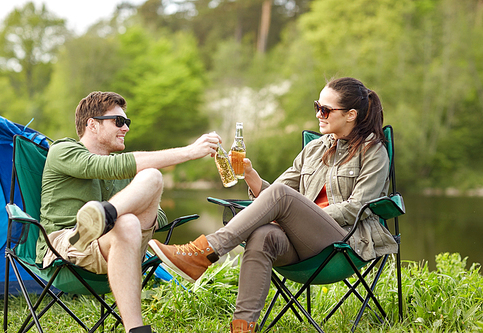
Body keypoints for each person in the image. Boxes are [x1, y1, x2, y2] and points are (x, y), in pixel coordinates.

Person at [149, 77, 399, 333]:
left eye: (325, 110)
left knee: (281, 198)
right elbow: (274, 197)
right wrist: (251, 176)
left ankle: (204, 251)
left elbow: (356, 207)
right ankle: (243, 327)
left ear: (350, 115)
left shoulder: (373, 152)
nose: (318, 114)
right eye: (317, 106)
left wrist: (305, 215)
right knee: (263, 234)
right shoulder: (313, 150)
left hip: (344, 243)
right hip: (303, 243)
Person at [36, 91, 221, 333]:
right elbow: (102, 166)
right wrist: (188, 152)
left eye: (127, 122)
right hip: (67, 243)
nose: (126, 128)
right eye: (119, 121)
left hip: (113, 243)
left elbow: (160, 215)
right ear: (92, 124)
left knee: (147, 188)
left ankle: (105, 215)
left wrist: (128, 209)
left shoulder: (121, 173)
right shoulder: (63, 150)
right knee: (133, 213)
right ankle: (100, 221)